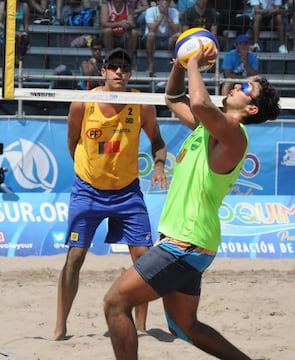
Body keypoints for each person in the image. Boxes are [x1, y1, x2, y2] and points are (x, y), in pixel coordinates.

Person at [103, 42, 281, 359]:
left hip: (185, 243)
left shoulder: (233, 133)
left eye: (244, 86)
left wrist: (195, 61)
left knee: (116, 302)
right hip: (193, 241)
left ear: (251, 108)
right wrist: (179, 66)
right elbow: (174, 98)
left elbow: (198, 102)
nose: (236, 84)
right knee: (185, 327)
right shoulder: (209, 128)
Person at [52, 47, 168, 341]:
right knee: (75, 257)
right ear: (102, 71)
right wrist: (88, 171)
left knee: (144, 259)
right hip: (88, 191)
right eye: (114, 67)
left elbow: (157, 141)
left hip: (128, 193)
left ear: (130, 74)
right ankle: (60, 327)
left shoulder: (141, 104)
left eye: (125, 68)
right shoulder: (83, 103)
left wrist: (159, 167)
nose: (119, 72)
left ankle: (142, 328)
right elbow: (72, 142)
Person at [144, 0, 180, 77]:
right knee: (150, 35)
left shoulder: (174, 11)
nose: (165, 2)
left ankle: (178, 65)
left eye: (167, 0)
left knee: (178, 36)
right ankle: (151, 64)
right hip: (154, 39)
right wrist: (161, 15)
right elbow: (151, 29)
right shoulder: (150, 11)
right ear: (158, 2)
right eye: (163, 0)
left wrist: (167, 15)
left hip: (168, 39)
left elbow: (176, 30)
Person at [0, 0, 30, 65]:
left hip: (16, 33)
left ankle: (18, 59)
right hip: (2, 32)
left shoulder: (24, 6)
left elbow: (26, 25)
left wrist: (26, 35)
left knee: (23, 39)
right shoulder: (3, 5)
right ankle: (12, 60)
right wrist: (11, 31)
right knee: (14, 37)